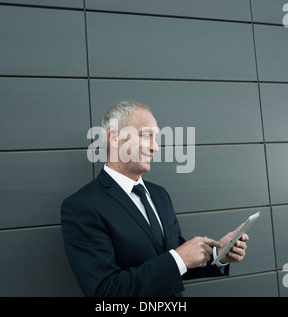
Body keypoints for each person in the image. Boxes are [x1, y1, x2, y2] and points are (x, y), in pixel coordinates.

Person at [61, 101, 249, 297]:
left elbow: (177, 263)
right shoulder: (82, 207)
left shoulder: (159, 195)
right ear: (115, 138)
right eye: (146, 136)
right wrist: (178, 258)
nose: (155, 147)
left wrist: (219, 255)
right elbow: (107, 291)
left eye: (156, 138)